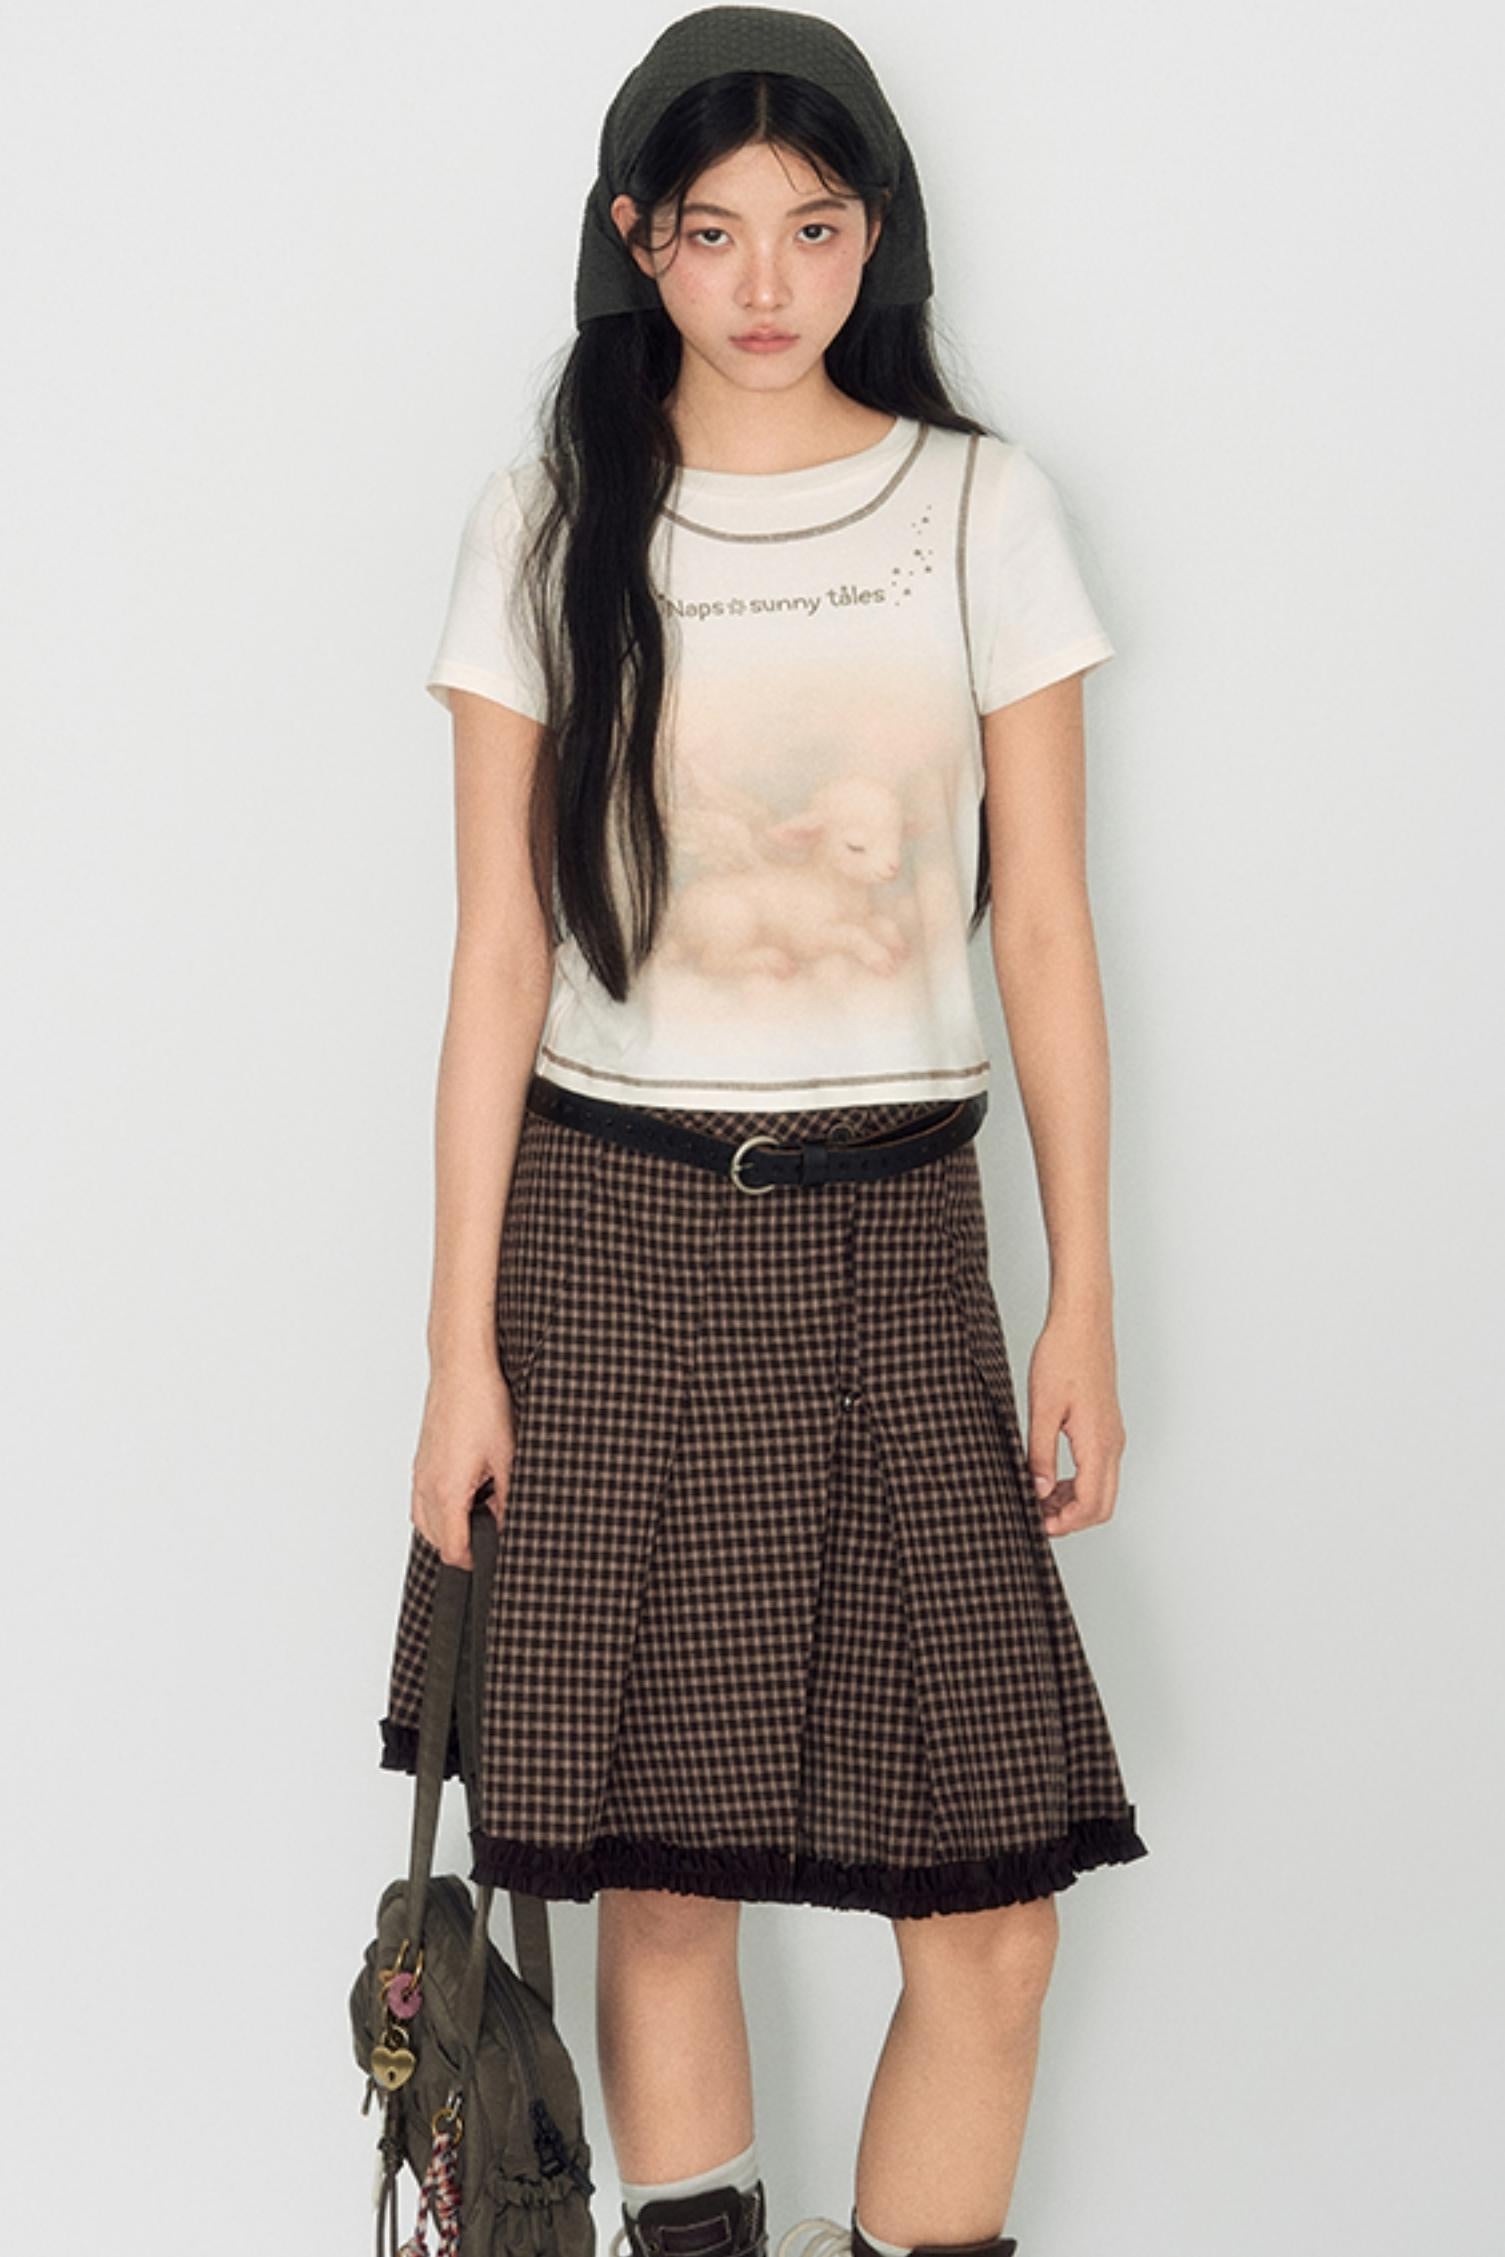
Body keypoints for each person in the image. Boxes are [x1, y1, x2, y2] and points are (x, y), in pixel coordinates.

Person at [377, 12, 1149, 2257]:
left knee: (992, 1918)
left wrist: (1084, 1296)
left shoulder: (980, 507)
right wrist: (455, 1351)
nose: (766, 281)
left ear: (874, 234)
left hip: (902, 1243)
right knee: (662, 1877)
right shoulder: (546, 521)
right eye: (711, 233)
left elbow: (1045, 931)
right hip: (608, 1239)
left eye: (813, 228)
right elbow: (497, 959)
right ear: (638, 241)